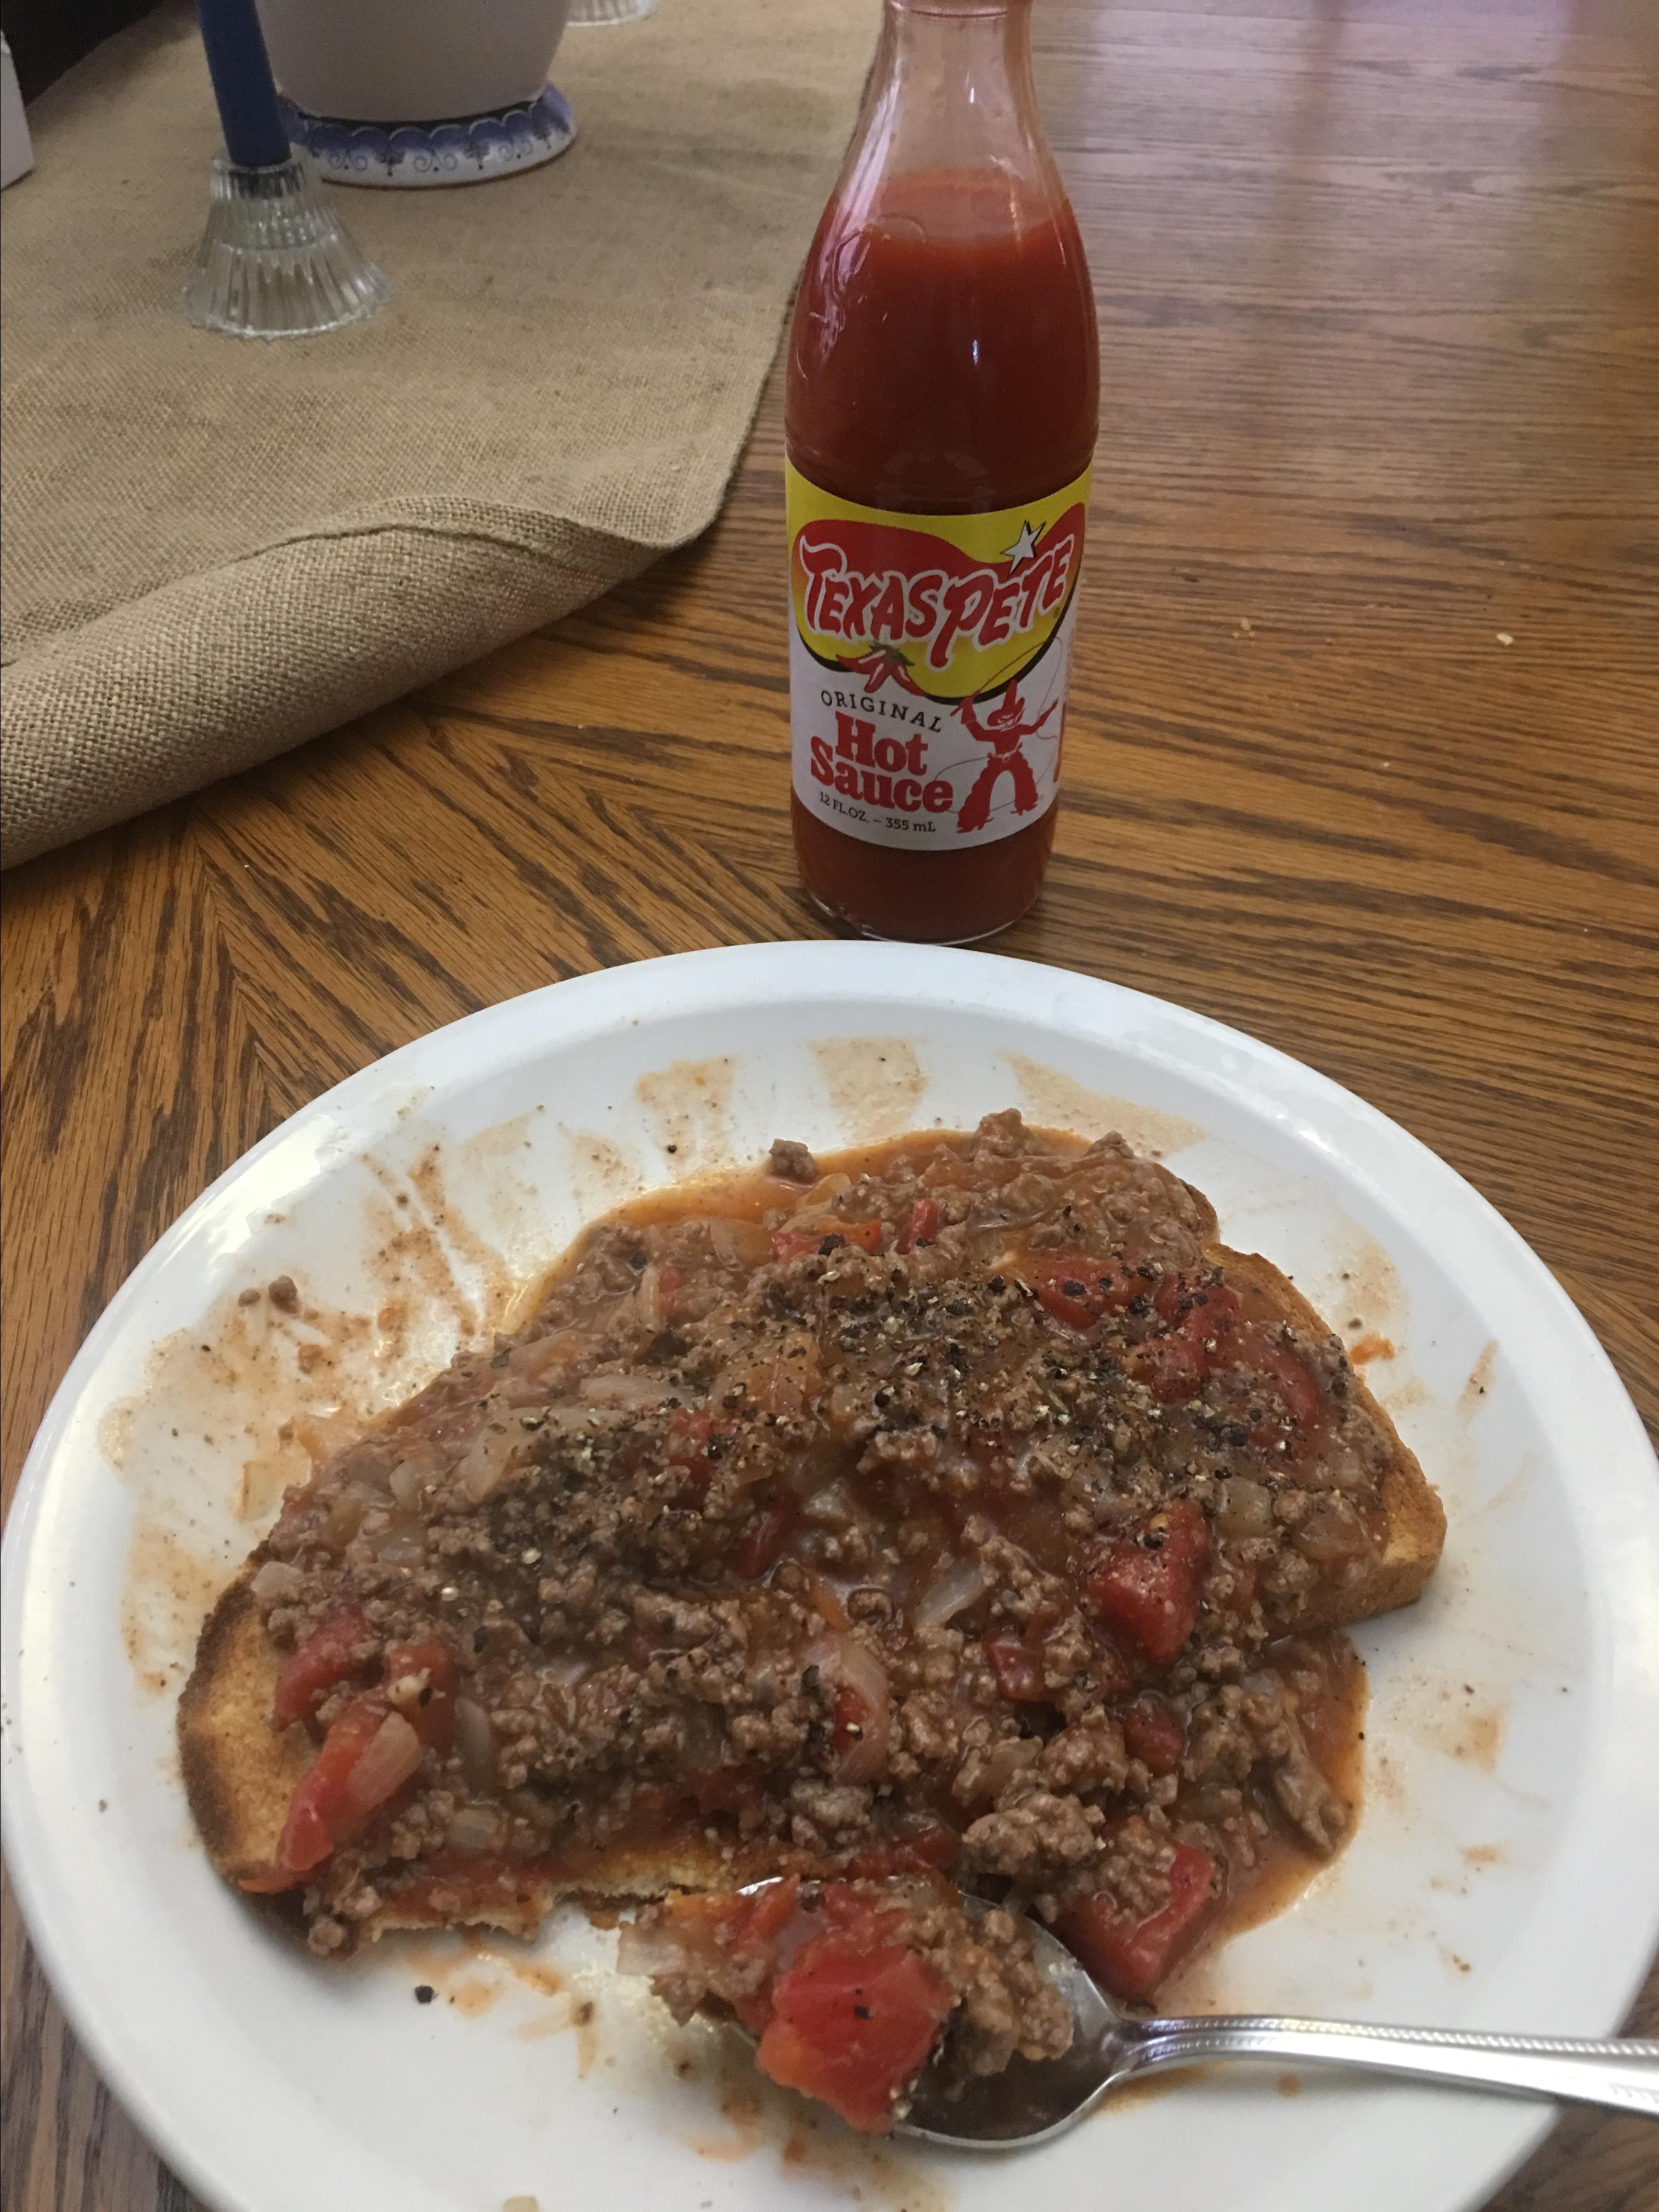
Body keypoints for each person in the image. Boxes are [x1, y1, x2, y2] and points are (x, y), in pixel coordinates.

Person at [955, 681, 1058, 835]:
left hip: (1014, 757)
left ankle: (1026, 805)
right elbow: (978, 733)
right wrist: (968, 709)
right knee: (984, 786)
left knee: (1025, 779)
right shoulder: (999, 733)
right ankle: (974, 819)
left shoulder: (1016, 729)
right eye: (1002, 719)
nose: (1005, 722)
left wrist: (1049, 711)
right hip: (998, 760)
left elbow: (1033, 728)